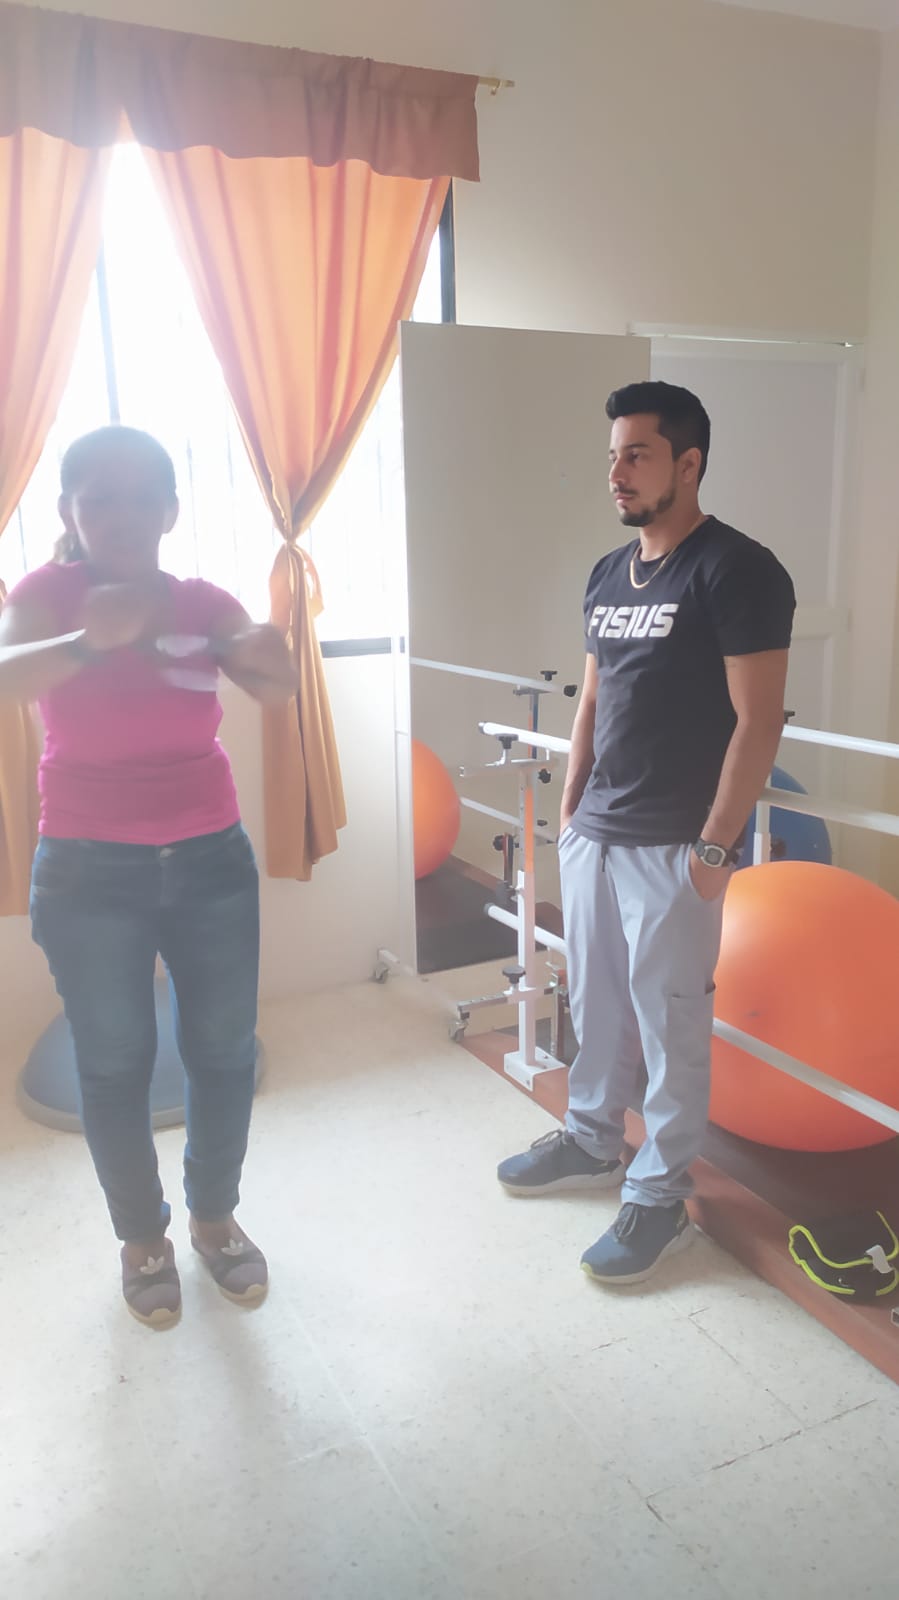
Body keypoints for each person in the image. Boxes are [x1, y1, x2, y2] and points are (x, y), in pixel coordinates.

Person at [0, 425, 299, 1328]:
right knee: (113, 1062)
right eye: (100, 499)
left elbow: (269, 674)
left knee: (223, 1051)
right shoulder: (44, 594)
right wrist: (90, 640)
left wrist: (265, 654)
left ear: (170, 511)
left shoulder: (203, 602)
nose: (121, 517)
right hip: (87, 870)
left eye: (142, 499)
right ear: (69, 511)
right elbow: (6, 674)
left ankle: (214, 1220)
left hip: (211, 861)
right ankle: (142, 1239)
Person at [498, 381, 795, 1284]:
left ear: (688, 464)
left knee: (670, 1024)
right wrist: (569, 808)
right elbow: (594, 697)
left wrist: (713, 847)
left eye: (637, 454)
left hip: (674, 844)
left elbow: (758, 721)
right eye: (613, 456)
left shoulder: (736, 570)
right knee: (594, 1002)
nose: (617, 473)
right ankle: (591, 1139)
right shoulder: (607, 573)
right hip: (597, 830)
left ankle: (659, 1192)